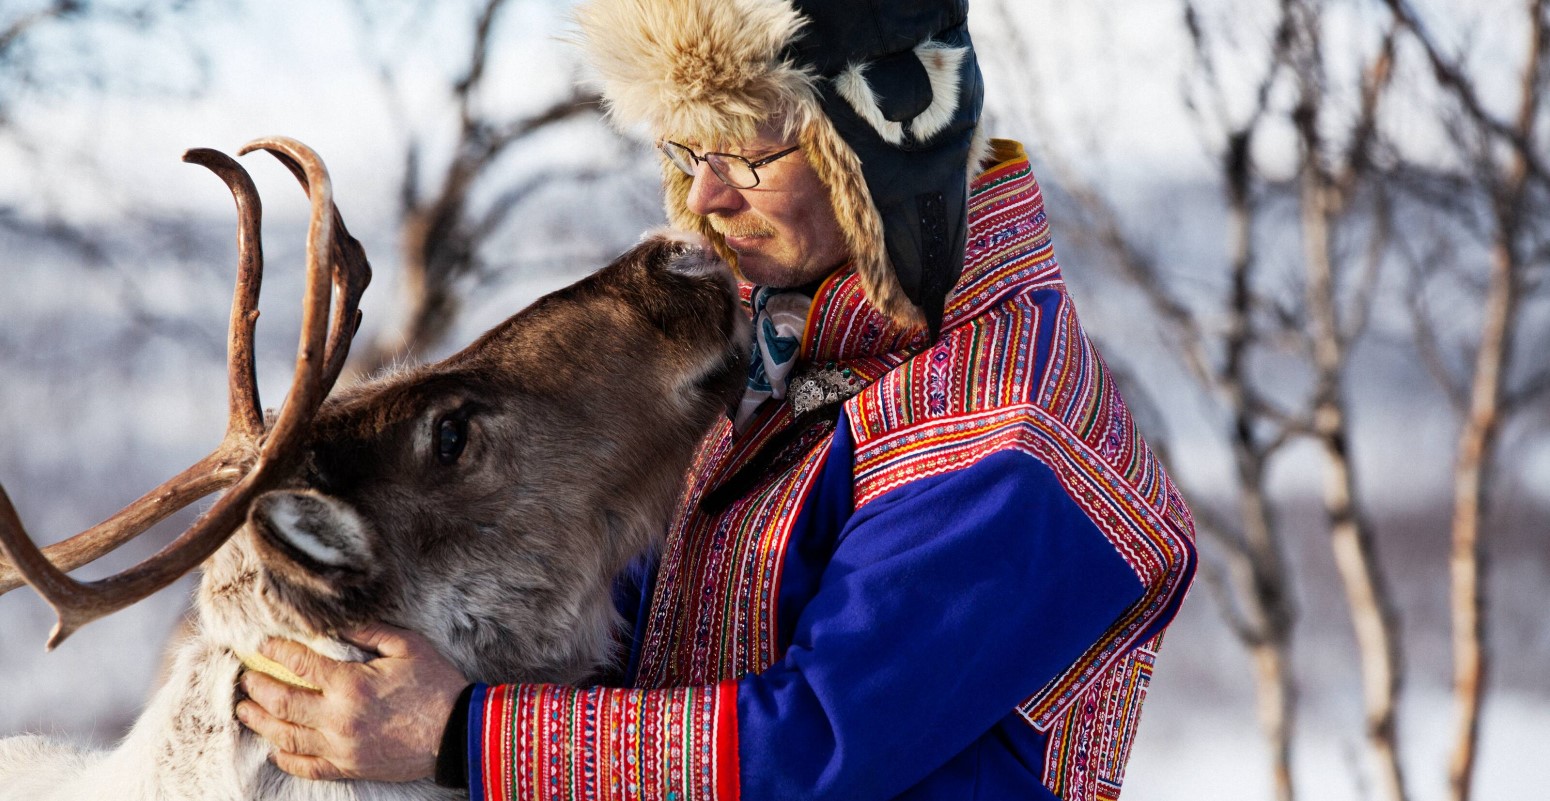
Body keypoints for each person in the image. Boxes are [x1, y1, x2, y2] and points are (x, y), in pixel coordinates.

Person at [235, 0, 1199, 798]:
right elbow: (641, 635)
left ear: (881, 141)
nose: (703, 197)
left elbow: (817, 745)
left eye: (746, 154)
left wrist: (461, 737)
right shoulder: (775, 360)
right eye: (687, 148)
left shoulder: (1007, 436)